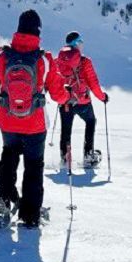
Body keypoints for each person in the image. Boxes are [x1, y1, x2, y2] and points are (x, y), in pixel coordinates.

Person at [0, 9, 69, 228]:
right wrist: (67, 96)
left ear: (18, 29)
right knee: (33, 165)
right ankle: (30, 214)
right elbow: (57, 92)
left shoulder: (3, 54)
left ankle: (2, 200)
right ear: (38, 31)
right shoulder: (45, 59)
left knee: (9, 156)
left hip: (7, 120)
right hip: (35, 124)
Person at [54, 31, 108, 169]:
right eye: (80, 42)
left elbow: (53, 81)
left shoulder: (58, 61)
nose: (82, 45)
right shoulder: (85, 62)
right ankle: (88, 156)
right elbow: (93, 83)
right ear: (76, 44)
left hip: (65, 101)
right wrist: (102, 97)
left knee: (66, 130)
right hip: (82, 101)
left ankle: (65, 159)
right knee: (90, 121)